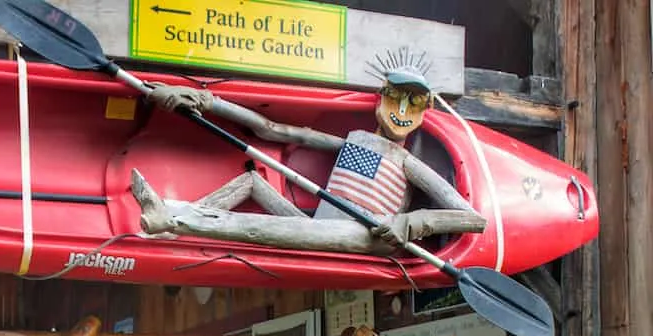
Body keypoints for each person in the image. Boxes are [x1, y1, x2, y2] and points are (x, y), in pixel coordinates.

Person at [131, 64, 487, 254]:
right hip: (321, 223)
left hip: (367, 235)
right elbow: (273, 130)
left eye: (414, 104)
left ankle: (173, 219)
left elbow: (472, 219)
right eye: (397, 99)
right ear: (381, 100)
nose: (403, 111)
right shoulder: (354, 142)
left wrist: (410, 224)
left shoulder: (408, 163)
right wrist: (205, 102)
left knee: (261, 228)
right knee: (253, 181)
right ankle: (179, 226)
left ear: (424, 113)